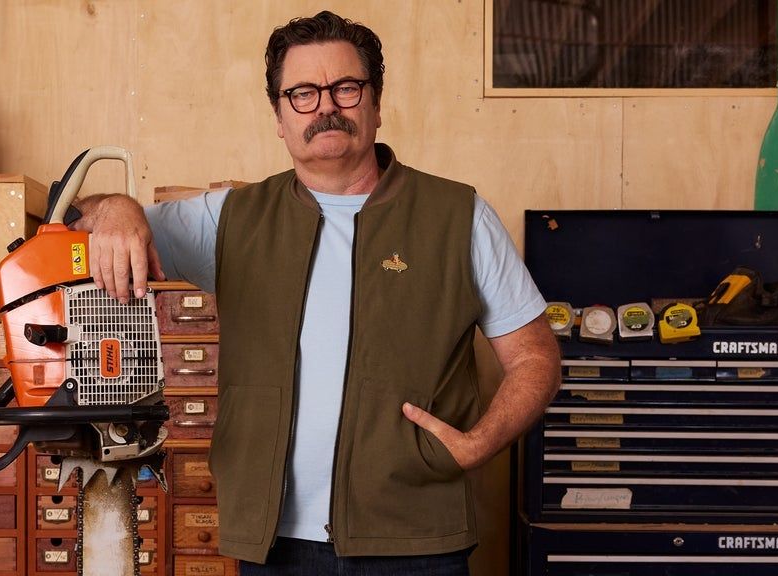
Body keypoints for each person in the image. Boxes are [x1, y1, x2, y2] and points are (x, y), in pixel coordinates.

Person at [73, 10, 560, 575]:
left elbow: (536, 359)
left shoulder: (459, 216)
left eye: (346, 88)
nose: (326, 106)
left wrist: (477, 444)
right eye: (302, 93)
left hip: (415, 538)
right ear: (279, 117)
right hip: (273, 541)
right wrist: (119, 208)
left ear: (376, 103)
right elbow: (73, 220)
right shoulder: (230, 219)